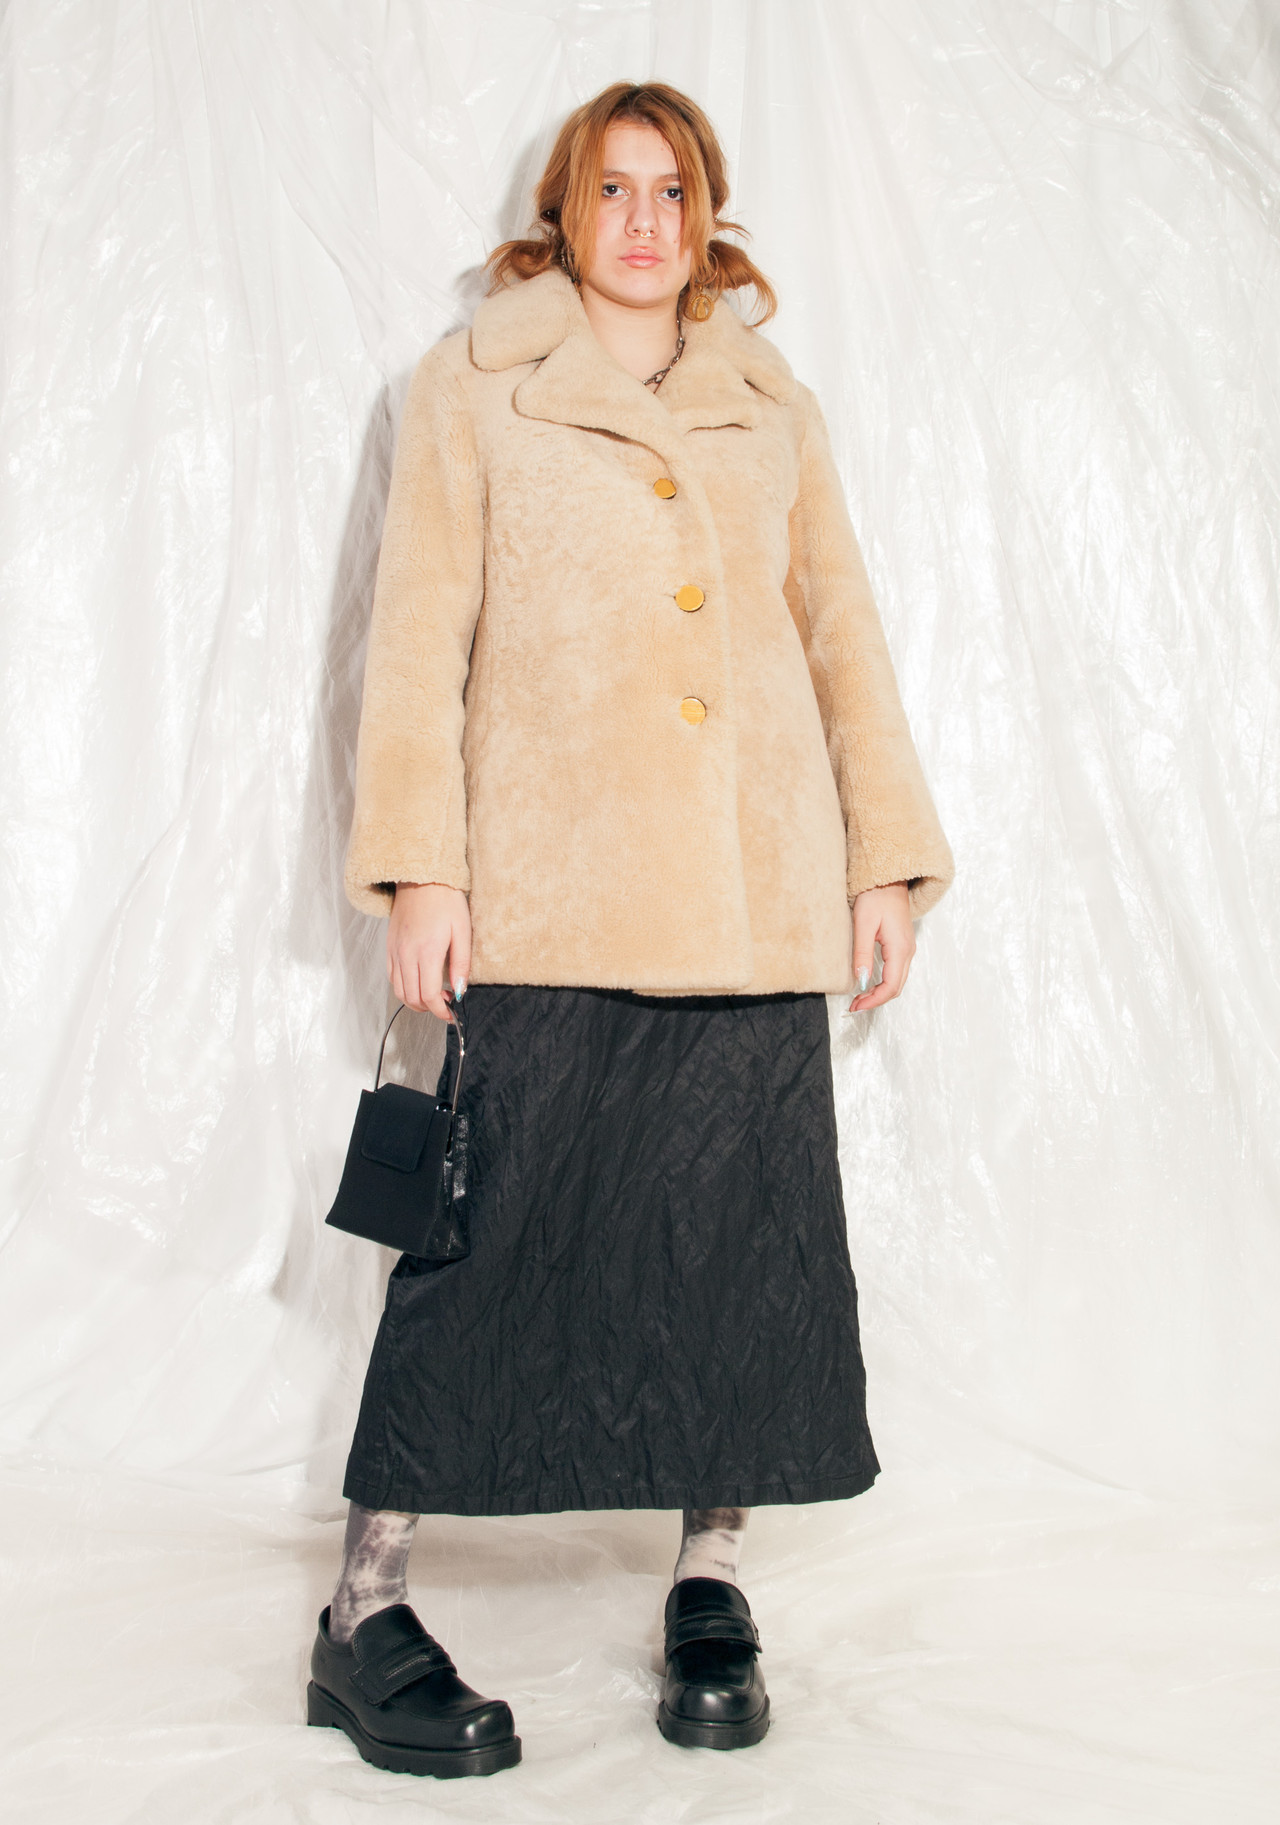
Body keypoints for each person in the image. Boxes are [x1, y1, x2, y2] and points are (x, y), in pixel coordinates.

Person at [307, 80, 953, 1779]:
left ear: (708, 213)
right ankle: (362, 1609)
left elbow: (842, 634)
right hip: (550, 888)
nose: (646, 219)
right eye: (615, 188)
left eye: (674, 190)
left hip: (750, 893)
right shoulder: (473, 387)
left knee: (736, 1249)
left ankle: (712, 1577)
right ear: (567, 209)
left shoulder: (773, 404)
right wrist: (422, 866)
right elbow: (418, 634)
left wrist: (884, 859)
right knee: (478, 1247)